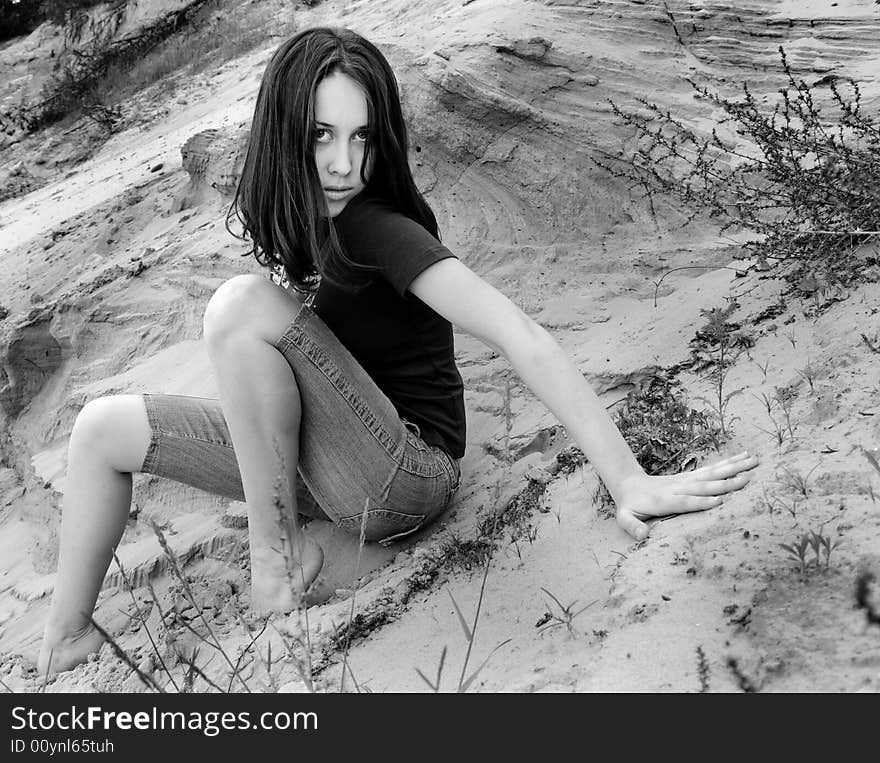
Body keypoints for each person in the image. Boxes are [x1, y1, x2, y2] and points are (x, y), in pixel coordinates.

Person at [37, 27, 759, 675]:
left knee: (238, 307)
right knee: (100, 428)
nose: (344, 162)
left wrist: (628, 478)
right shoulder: (309, 221)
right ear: (285, 133)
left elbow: (518, 333)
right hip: (333, 459)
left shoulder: (378, 228)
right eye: (321, 135)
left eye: (363, 137)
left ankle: (276, 567)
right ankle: (65, 636)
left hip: (410, 469)